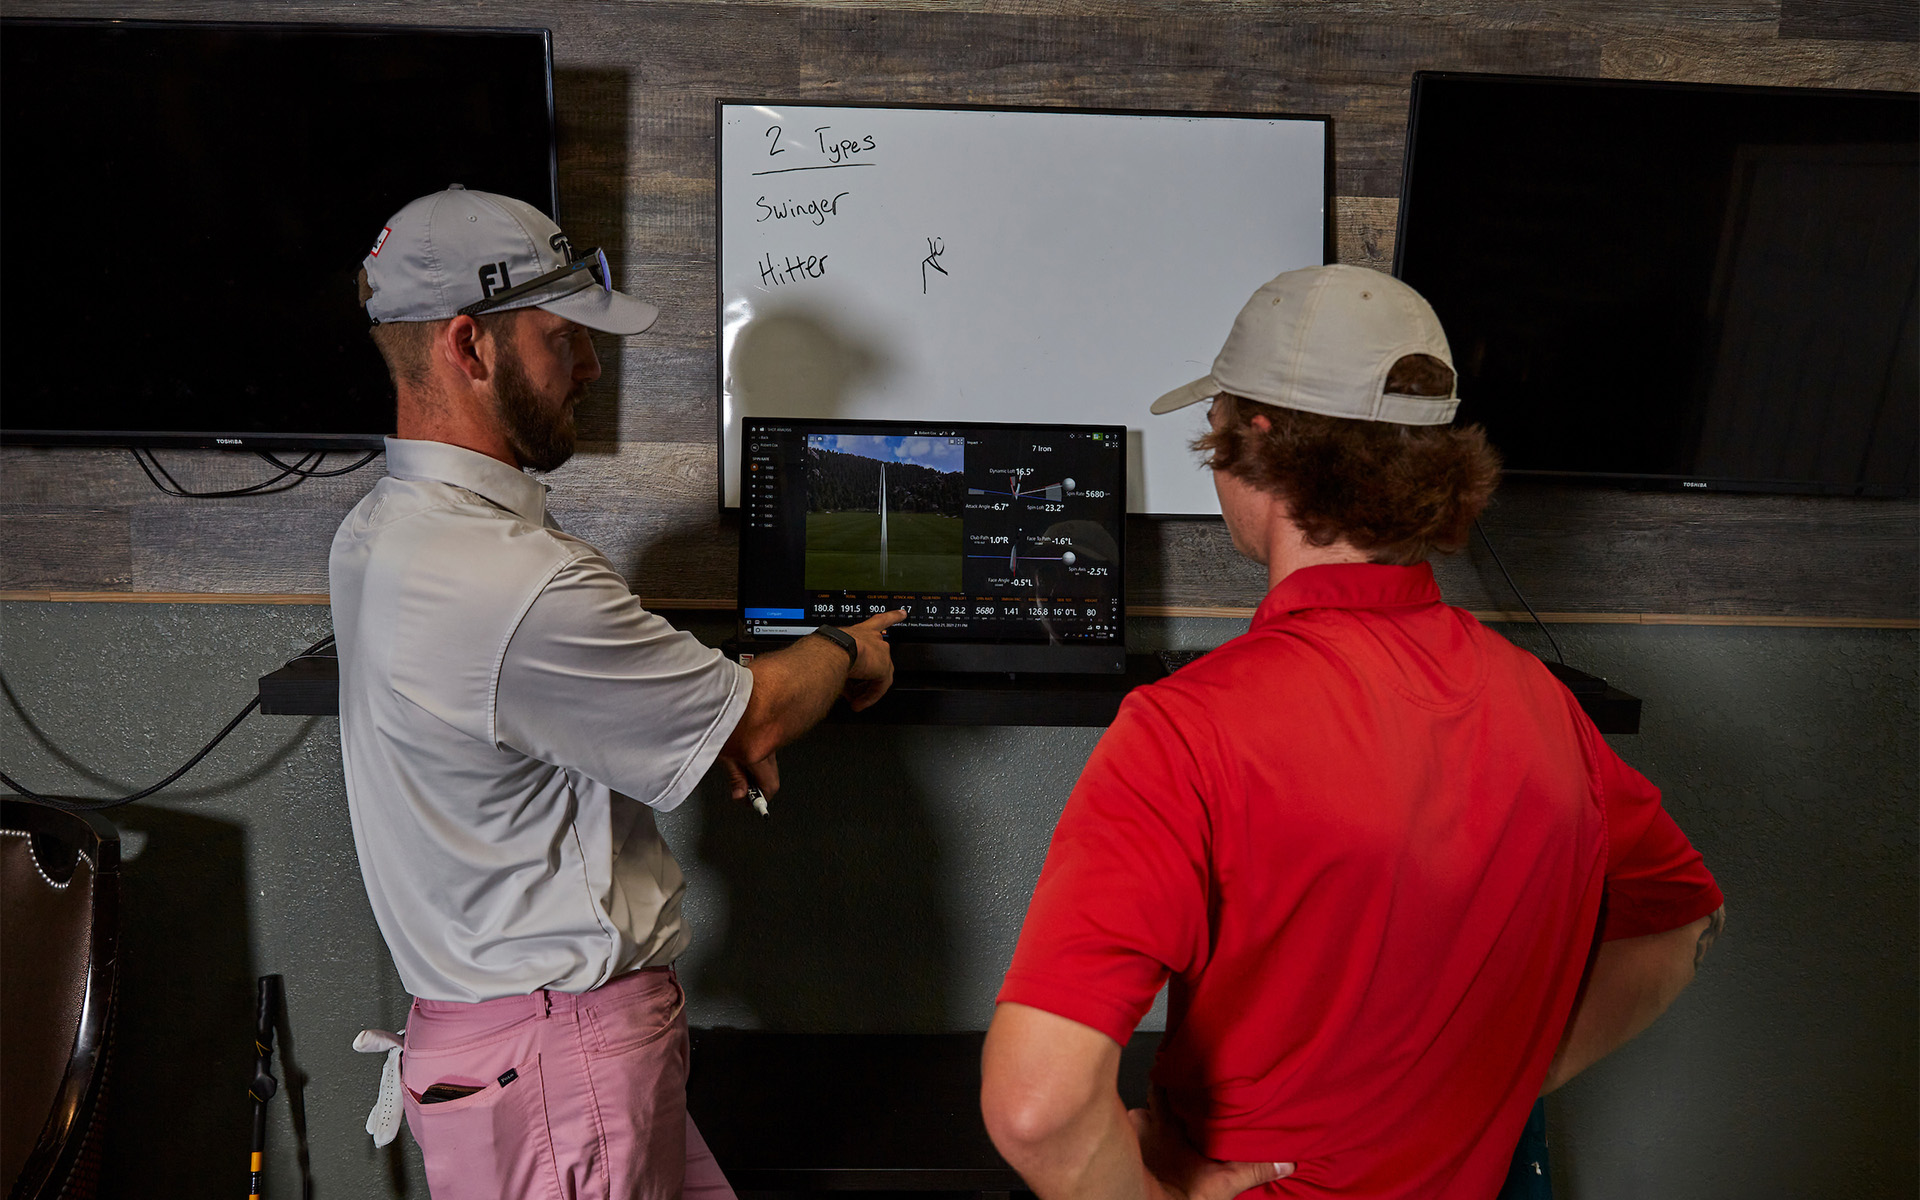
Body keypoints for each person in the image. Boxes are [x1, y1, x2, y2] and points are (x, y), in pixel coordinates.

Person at [979, 264, 1725, 1200]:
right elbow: (1683, 922)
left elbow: (1037, 1109)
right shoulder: (1546, 707)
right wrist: (1488, 1094)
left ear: (1256, 438)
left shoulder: (1187, 729)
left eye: (1216, 418)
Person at [331, 185, 901, 1200]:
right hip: (562, 1062)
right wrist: (846, 649)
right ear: (469, 346)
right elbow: (759, 714)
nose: (593, 367)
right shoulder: (511, 580)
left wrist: (691, 719)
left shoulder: (382, 531)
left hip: (508, 1047)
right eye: (565, 340)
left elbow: (541, 721)